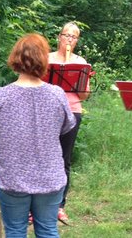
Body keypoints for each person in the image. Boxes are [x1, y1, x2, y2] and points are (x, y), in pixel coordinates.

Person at [0, 33, 75, 237]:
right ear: (43, 60)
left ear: (16, 59)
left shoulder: (2, 96)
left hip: (13, 177)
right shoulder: (57, 94)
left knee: (15, 231)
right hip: (49, 176)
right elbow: (67, 126)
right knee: (47, 230)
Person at [47, 21, 90, 223]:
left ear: (77, 40)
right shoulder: (47, 59)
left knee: (64, 159)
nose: (69, 40)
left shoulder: (81, 62)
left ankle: (59, 205)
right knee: (44, 156)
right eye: (66, 35)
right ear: (59, 37)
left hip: (72, 111)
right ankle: (39, 204)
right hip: (47, 112)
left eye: (73, 37)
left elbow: (83, 96)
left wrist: (78, 81)